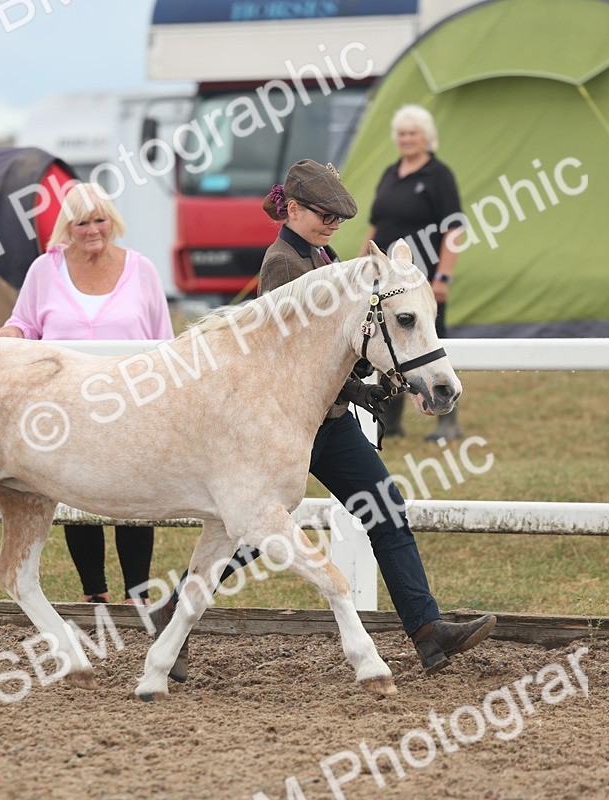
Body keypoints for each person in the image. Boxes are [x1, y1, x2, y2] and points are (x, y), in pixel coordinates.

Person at [153, 159, 494, 680]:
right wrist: (363, 387)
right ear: (292, 209)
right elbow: (283, 356)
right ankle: (173, 608)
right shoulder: (283, 265)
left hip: (326, 420)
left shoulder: (321, 255)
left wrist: (375, 382)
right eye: (323, 213)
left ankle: (427, 631)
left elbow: (336, 347)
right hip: (285, 423)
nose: (334, 222)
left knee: (383, 507)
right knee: (254, 527)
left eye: (338, 215)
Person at [0, 183, 174, 604]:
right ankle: (94, 592)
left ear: (111, 221)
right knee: (73, 487)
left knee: (135, 488)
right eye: (82, 223)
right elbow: (24, 322)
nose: (93, 230)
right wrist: (9, 334)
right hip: (64, 402)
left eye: (100, 220)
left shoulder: (142, 269)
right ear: (67, 228)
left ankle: (138, 594)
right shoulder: (45, 269)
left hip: (130, 401)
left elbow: (163, 338)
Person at [362, 104, 464, 442]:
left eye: (413, 133)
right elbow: (376, 225)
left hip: (422, 281)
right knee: (385, 344)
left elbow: (454, 229)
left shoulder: (439, 175)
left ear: (426, 137)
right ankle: (389, 422)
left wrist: (444, 276)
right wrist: (363, 264)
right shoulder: (391, 173)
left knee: (433, 343)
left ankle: (447, 420)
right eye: (402, 134)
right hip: (386, 281)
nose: (407, 139)